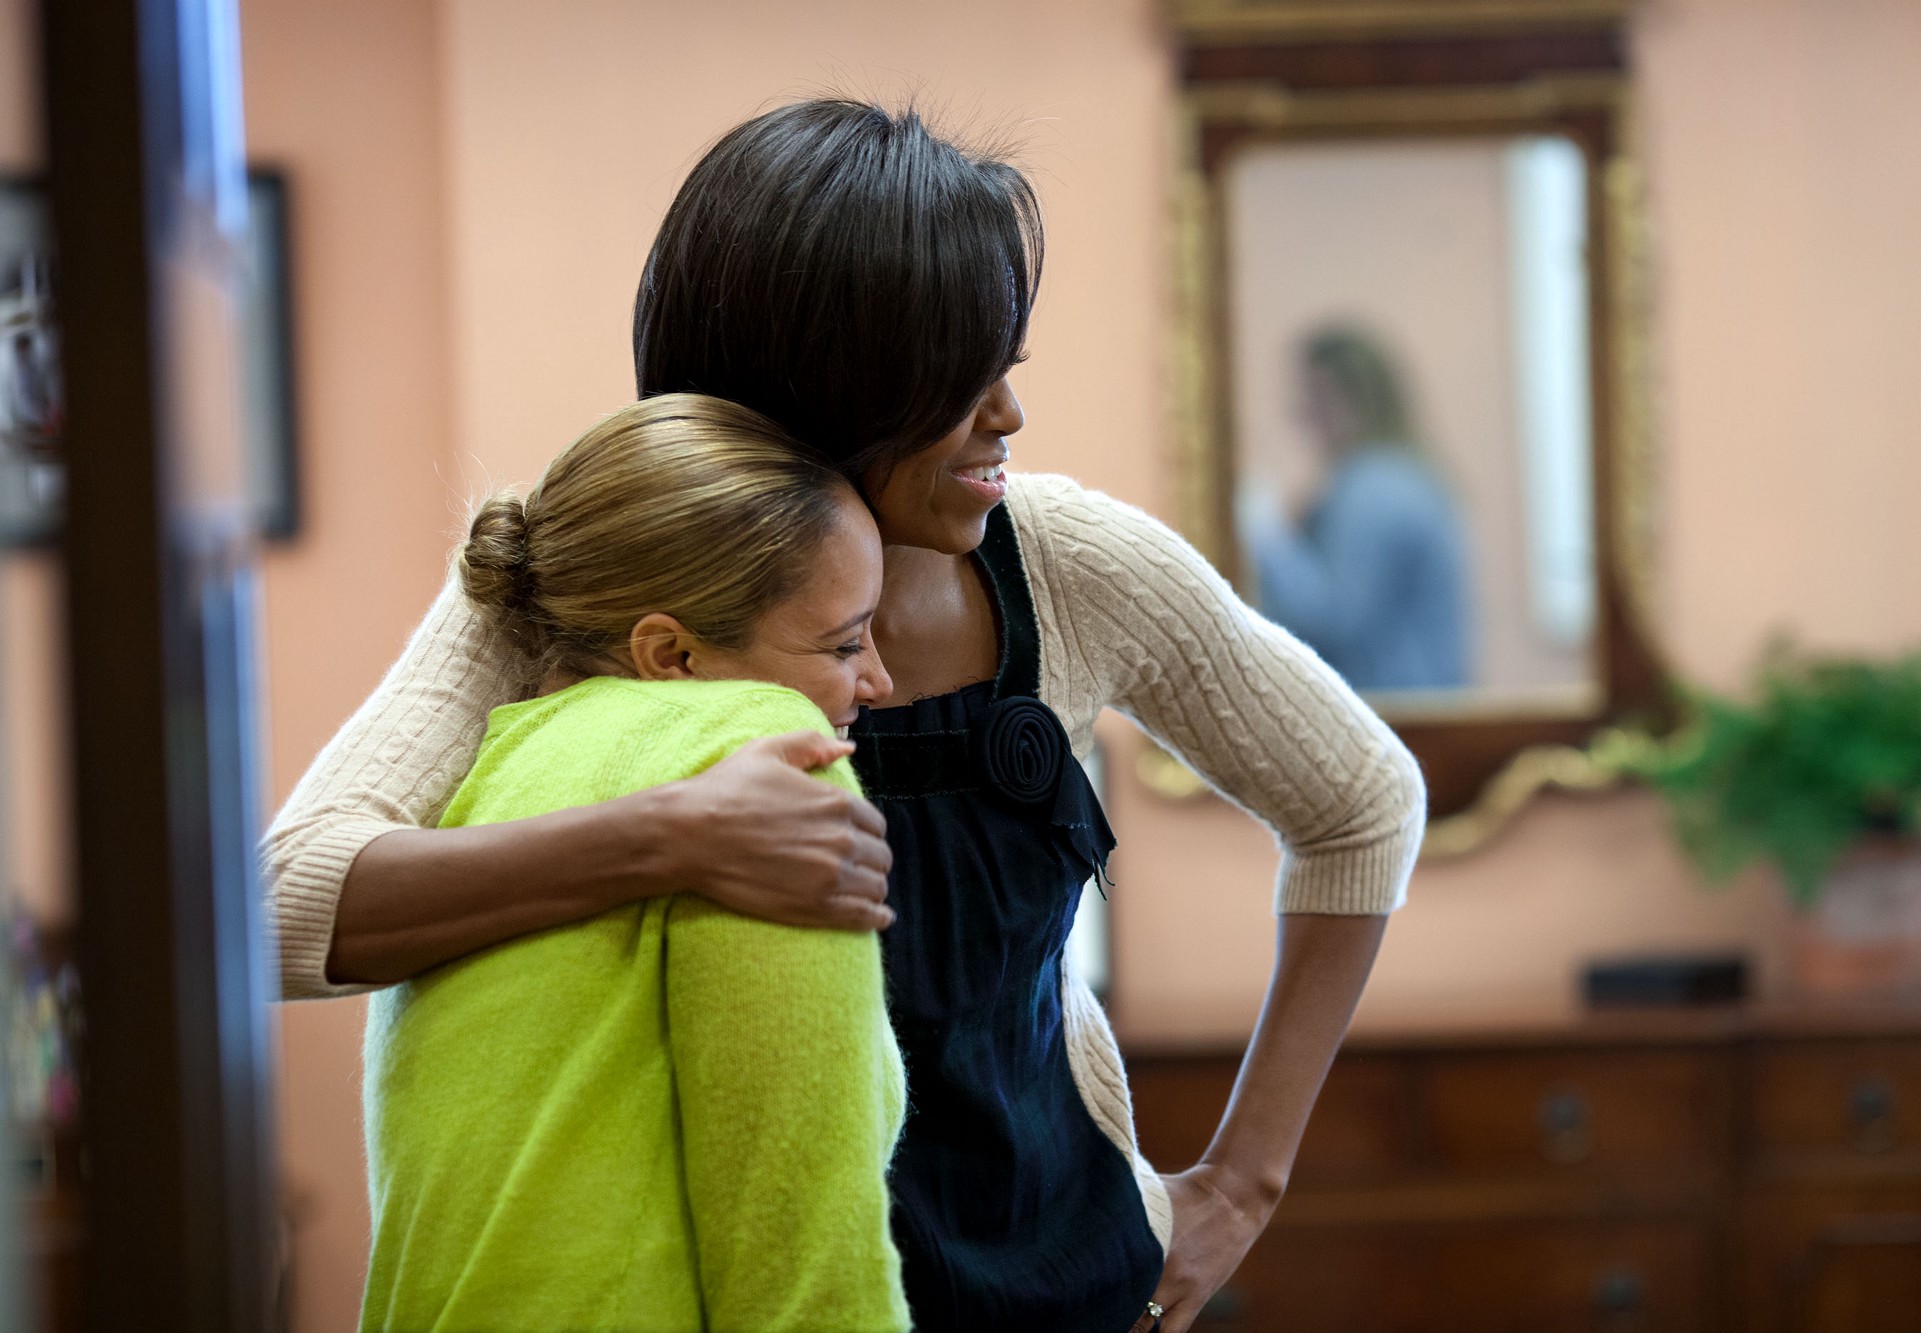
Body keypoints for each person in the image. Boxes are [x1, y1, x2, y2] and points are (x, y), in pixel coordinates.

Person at [266, 100, 1425, 1333]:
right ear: (815, 395)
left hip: (1074, 1291)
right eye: (955, 383)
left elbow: (1360, 804)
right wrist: (664, 837)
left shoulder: (1071, 566)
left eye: (1005, 369)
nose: (1006, 419)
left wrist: (1240, 1184)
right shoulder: (589, 570)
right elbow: (280, 910)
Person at [359, 395, 908, 1332]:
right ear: (673, 654)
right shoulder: (761, 749)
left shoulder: (480, 786)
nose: (879, 681)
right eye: (845, 642)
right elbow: (806, 1250)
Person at [1245, 326, 1470, 692]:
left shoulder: (1376, 487)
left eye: (1317, 395)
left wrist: (1263, 528)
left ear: (1355, 396)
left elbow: (1333, 617)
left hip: (1398, 717)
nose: (1301, 412)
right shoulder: (1403, 476)